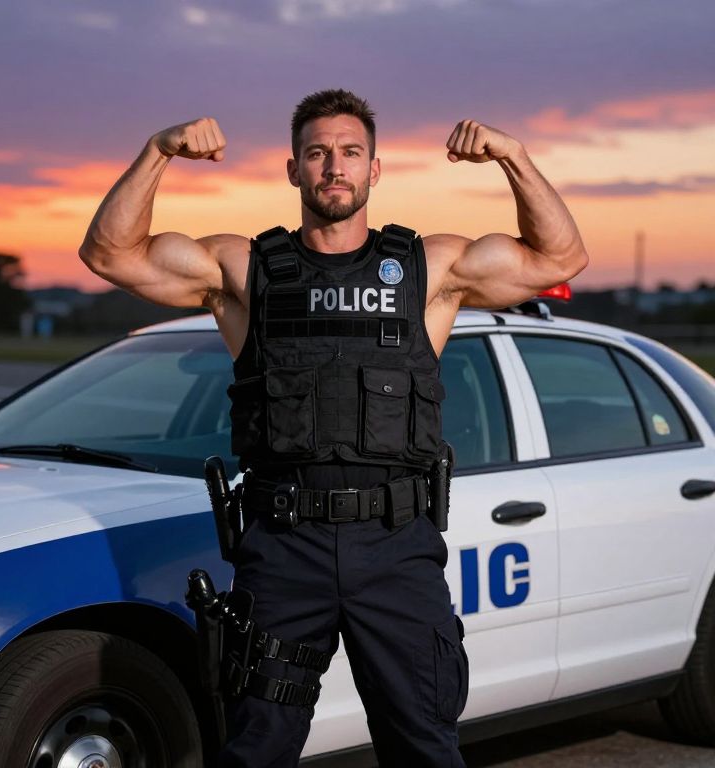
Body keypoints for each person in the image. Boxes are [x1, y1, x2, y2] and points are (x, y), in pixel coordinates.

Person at [79, 89, 588, 767]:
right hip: (285, 550)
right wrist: (157, 152)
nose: (334, 166)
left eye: (350, 152)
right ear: (293, 170)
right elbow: (111, 254)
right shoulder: (246, 269)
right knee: (255, 748)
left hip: (396, 549)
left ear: (375, 170)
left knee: (425, 748)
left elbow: (560, 260)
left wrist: (514, 158)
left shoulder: (426, 270)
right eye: (317, 153)